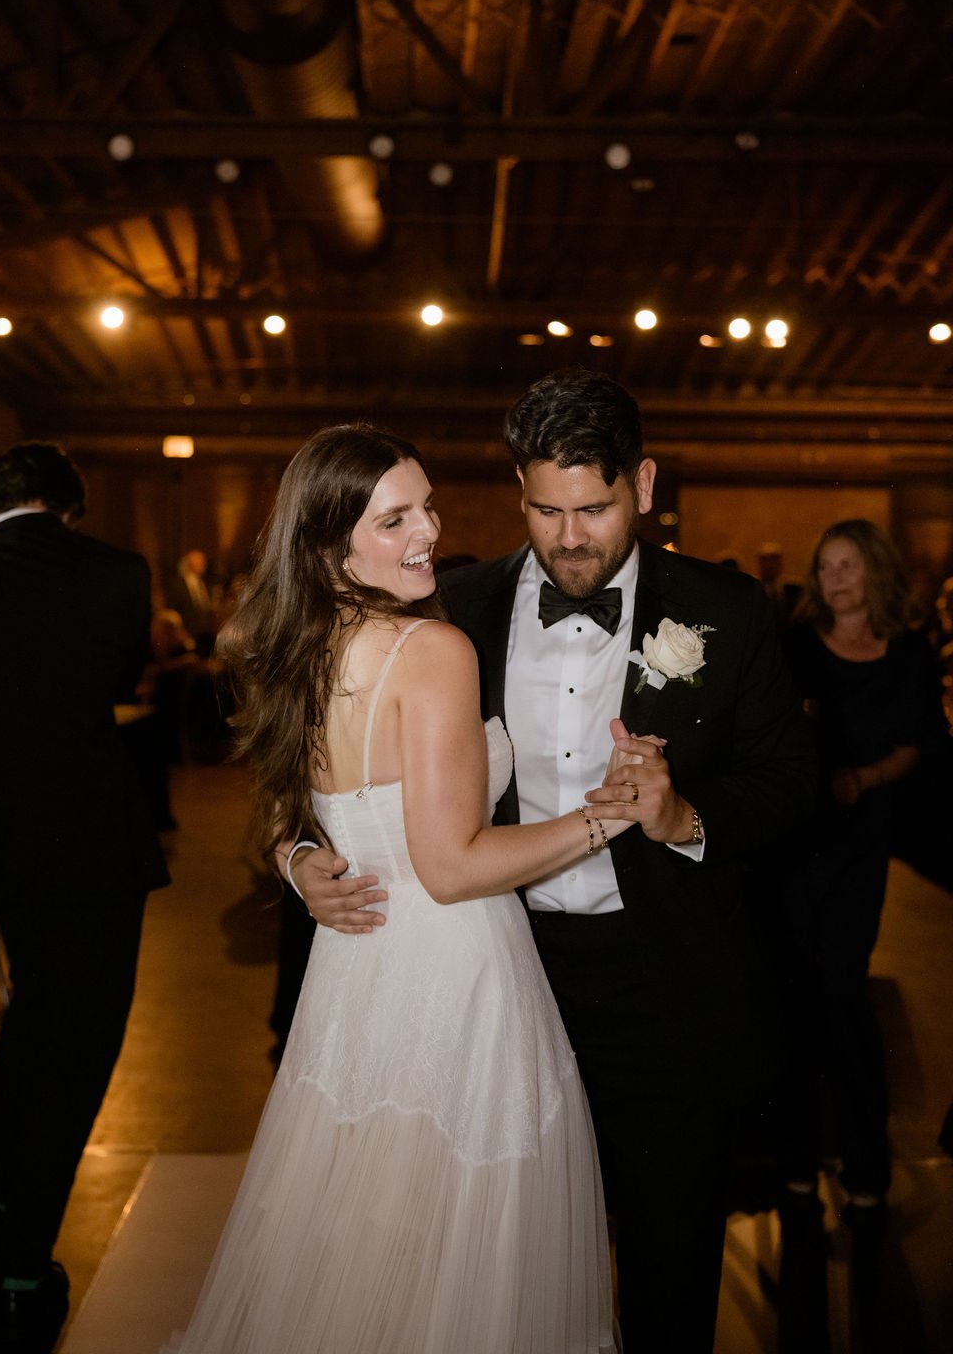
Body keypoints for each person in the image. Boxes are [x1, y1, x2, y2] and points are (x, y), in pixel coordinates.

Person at [297, 370, 815, 1354]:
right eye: (544, 509)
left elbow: (789, 781)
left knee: (668, 1253)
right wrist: (299, 854)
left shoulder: (726, 608)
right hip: (494, 975)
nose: (568, 536)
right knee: (495, 1259)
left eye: (593, 508)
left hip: (665, 984)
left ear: (645, 485)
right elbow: (337, 759)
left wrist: (679, 814)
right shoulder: (446, 606)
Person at [165, 424, 631, 1354]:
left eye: (427, 505)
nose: (428, 530)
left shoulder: (295, 642)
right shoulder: (429, 650)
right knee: (462, 1245)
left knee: (366, 1228)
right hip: (457, 978)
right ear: (333, 544)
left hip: (354, 976)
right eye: (396, 518)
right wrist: (606, 816)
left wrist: (301, 863)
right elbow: (451, 867)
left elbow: (282, 813)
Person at [0, 441, 170, 1354]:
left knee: (13, 1034)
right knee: (70, 1043)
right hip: (82, 844)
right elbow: (116, 685)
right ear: (72, 507)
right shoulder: (116, 573)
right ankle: (23, 1257)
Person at [778, 519, 944, 1220]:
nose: (834, 579)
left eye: (847, 566)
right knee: (793, 998)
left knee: (841, 991)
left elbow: (920, 742)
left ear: (872, 571)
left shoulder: (907, 654)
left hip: (862, 842)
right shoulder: (794, 650)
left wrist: (863, 778)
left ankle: (865, 1165)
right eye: (825, 568)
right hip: (796, 846)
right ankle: (794, 1161)